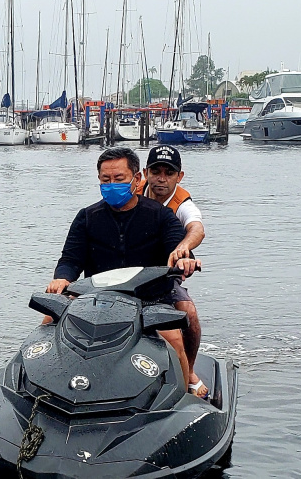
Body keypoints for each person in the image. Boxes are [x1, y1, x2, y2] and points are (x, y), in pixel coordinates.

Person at [45, 146, 200, 391]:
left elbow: (178, 248)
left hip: (150, 298)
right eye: (106, 180)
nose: (112, 184)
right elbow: (70, 260)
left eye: (119, 179)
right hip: (96, 297)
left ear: (136, 179)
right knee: (48, 320)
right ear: (98, 180)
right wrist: (62, 279)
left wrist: (184, 259)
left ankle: (182, 396)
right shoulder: (87, 217)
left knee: (173, 340)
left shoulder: (160, 216)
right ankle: (39, 386)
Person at [141, 145, 208, 398]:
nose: (161, 178)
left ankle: (188, 371)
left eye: (168, 173)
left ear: (179, 177)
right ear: (145, 173)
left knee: (187, 311)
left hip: (163, 274)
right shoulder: (131, 193)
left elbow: (197, 229)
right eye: (156, 171)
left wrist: (183, 249)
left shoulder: (182, 203)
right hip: (126, 270)